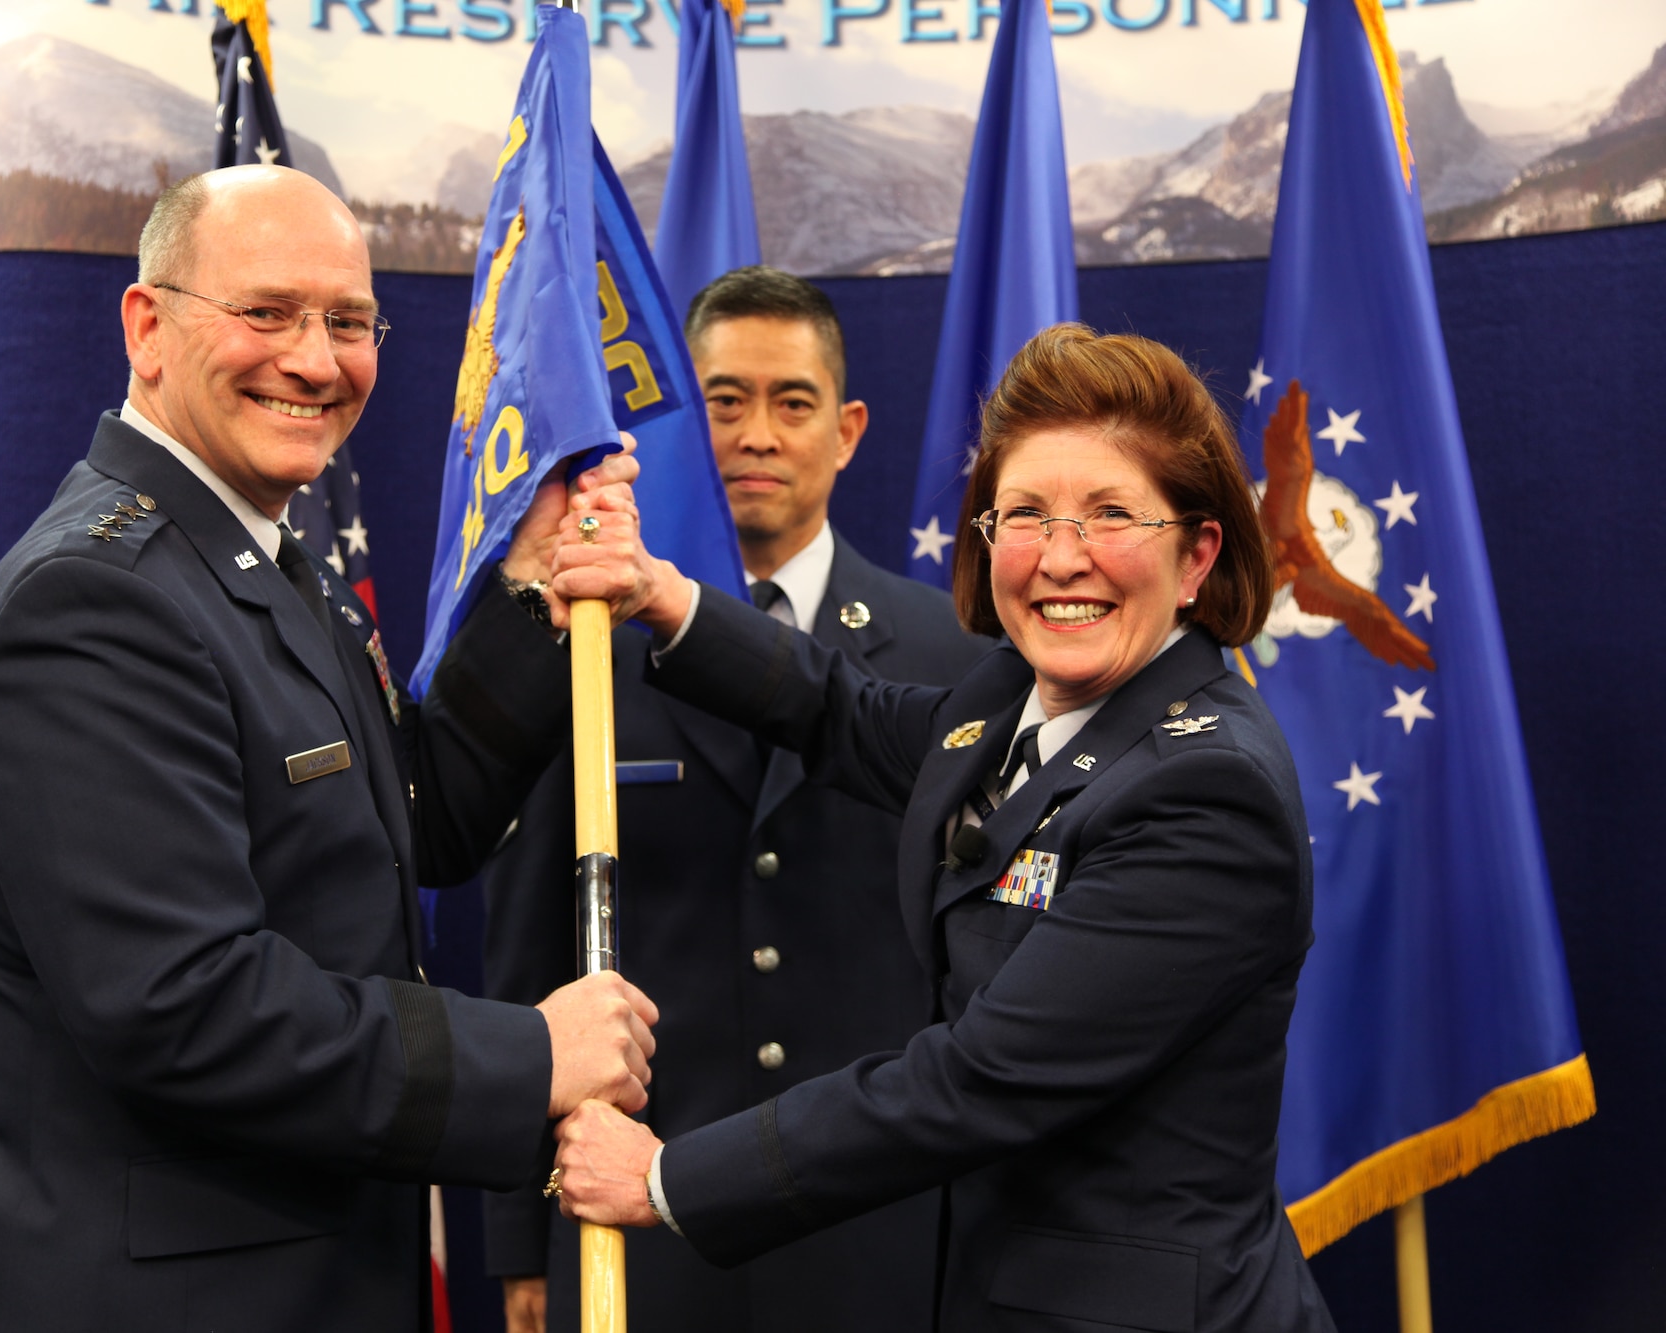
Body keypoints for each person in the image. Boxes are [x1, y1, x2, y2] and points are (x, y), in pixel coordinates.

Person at [0, 165, 661, 1333]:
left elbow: (411, 814)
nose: (316, 360)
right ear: (147, 327)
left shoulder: (256, 562)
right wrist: (530, 1056)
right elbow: (187, 1006)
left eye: (349, 322)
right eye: (266, 312)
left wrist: (526, 589)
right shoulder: (94, 602)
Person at [547, 324, 1337, 1332]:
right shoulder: (1018, 693)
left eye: (1108, 515)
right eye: (1024, 515)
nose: (1060, 558)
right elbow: (844, 711)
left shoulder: (1202, 790)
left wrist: (666, 1176)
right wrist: (666, 599)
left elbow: (977, 1078)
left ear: (1194, 556)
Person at [481, 267, 1009, 1333]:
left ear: (848, 429)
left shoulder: (956, 653)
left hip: (881, 1228)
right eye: (723, 401)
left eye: (791, 401)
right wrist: (516, 1239)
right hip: (642, 1231)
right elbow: (525, 953)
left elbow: (982, 967)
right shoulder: (590, 645)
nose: (756, 433)